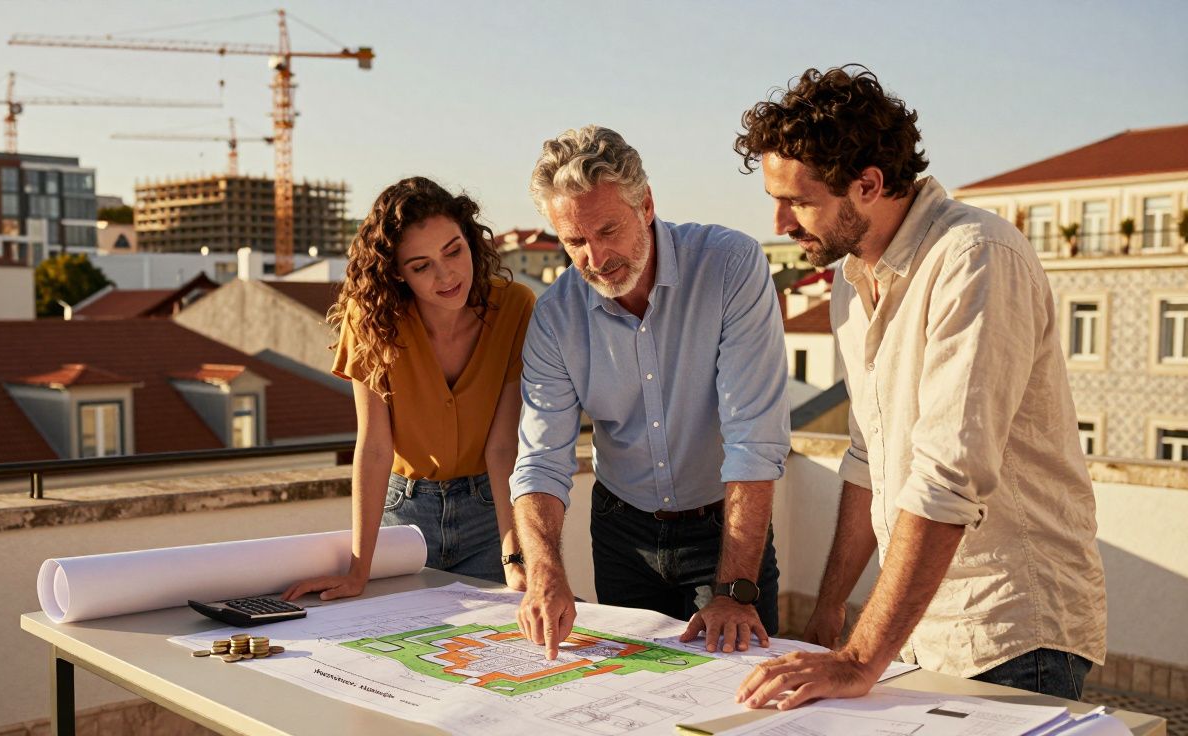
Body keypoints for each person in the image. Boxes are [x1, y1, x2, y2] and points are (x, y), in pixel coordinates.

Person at [730, 66, 1107, 709]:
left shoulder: (977, 256)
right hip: (916, 632)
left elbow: (947, 476)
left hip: (1011, 634)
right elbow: (868, 460)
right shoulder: (853, 279)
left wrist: (856, 660)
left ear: (868, 184)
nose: (781, 222)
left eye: (797, 200)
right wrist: (829, 619)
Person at [510, 125, 791, 660]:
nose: (595, 257)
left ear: (646, 205)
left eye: (607, 229)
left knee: (742, 696)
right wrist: (545, 573)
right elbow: (541, 461)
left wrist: (733, 592)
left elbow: (753, 440)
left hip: (723, 531)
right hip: (622, 536)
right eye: (574, 242)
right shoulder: (554, 317)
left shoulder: (731, 265)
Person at [282, 176, 534, 601]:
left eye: (454, 250)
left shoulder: (515, 306)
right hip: (405, 523)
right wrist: (358, 570)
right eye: (421, 266)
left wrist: (515, 557)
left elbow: (502, 446)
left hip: (490, 514)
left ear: (470, 239)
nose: (447, 274)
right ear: (398, 273)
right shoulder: (370, 319)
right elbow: (375, 447)